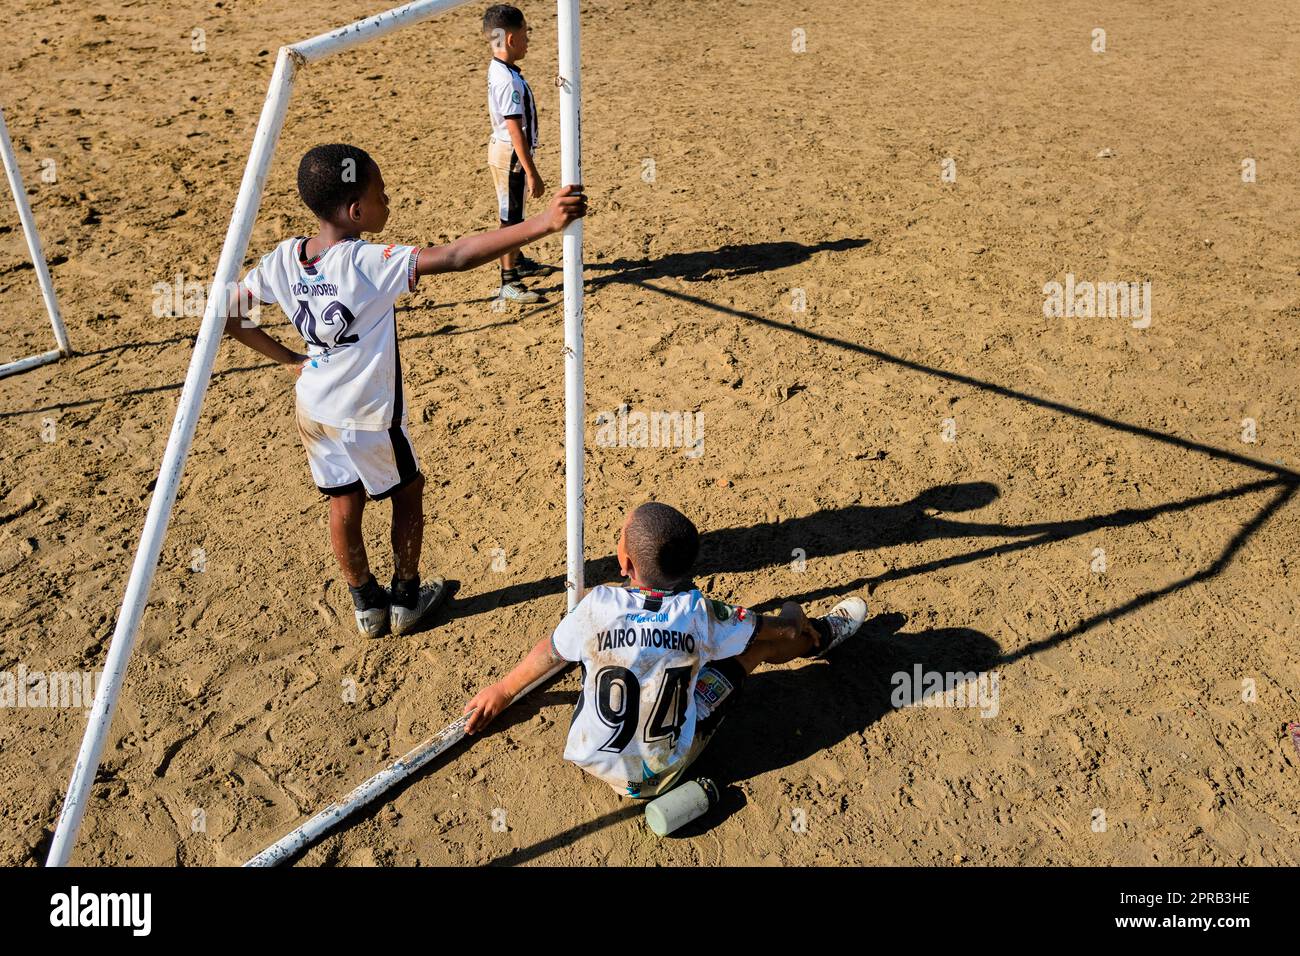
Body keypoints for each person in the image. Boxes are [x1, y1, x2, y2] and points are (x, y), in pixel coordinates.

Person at [222, 142, 586, 637]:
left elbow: (231, 315)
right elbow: (455, 256)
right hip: (366, 414)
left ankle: (365, 603)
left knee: (343, 500)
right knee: (407, 490)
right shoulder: (366, 261)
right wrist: (543, 223)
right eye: (382, 194)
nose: (389, 200)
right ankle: (407, 596)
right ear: (355, 211)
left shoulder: (284, 257)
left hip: (313, 406)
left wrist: (290, 359)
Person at [464, 502, 868, 798]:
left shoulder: (596, 606)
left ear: (624, 561)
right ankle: (823, 638)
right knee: (751, 649)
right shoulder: (701, 612)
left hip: (595, 759)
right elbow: (775, 630)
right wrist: (795, 615)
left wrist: (502, 691)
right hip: (666, 770)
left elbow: (551, 653)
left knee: (617, 657)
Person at [482, 3, 553, 303]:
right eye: (525, 34)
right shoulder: (507, 80)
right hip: (511, 156)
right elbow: (515, 129)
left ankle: (517, 260)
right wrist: (531, 171)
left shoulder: (500, 69)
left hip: (505, 151)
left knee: (514, 213)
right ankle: (508, 281)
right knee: (511, 219)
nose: (528, 41)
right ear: (511, 39)